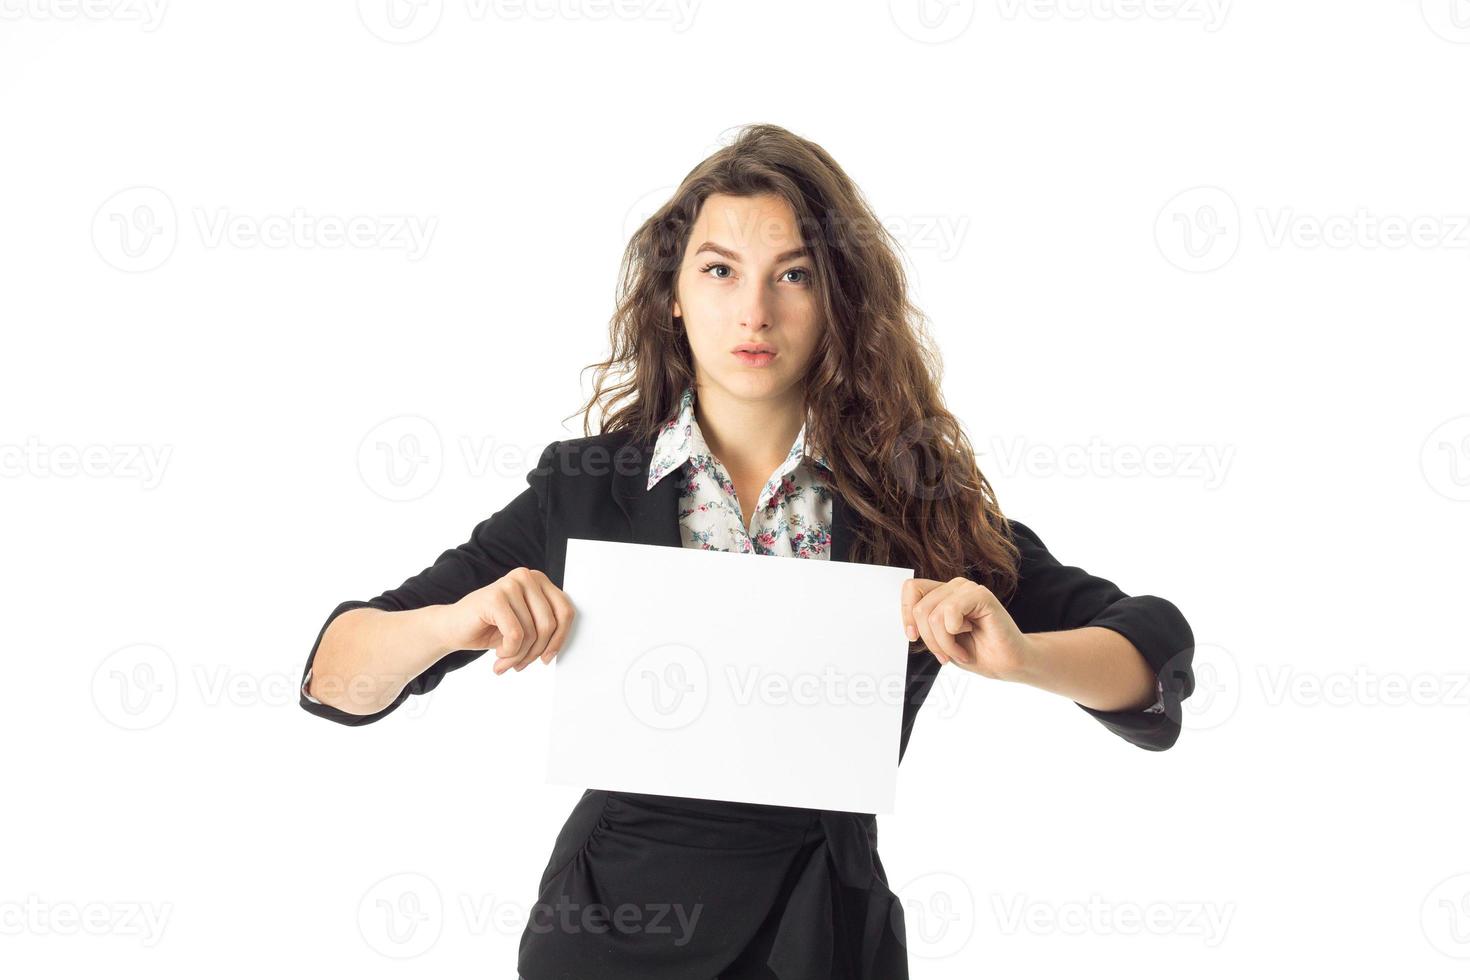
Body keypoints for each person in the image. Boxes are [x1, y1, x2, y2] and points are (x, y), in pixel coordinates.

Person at [298, 123, 1196, 980]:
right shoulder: (588, 487)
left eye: (793, 274)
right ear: (674, 293)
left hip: (828, 942)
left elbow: (1150, 651)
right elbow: (334, 676)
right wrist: (455, 624)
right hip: (609, 942)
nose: (754, 310)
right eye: (721, 270)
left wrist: (1025, 657)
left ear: (837, 296)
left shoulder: (913, 502)